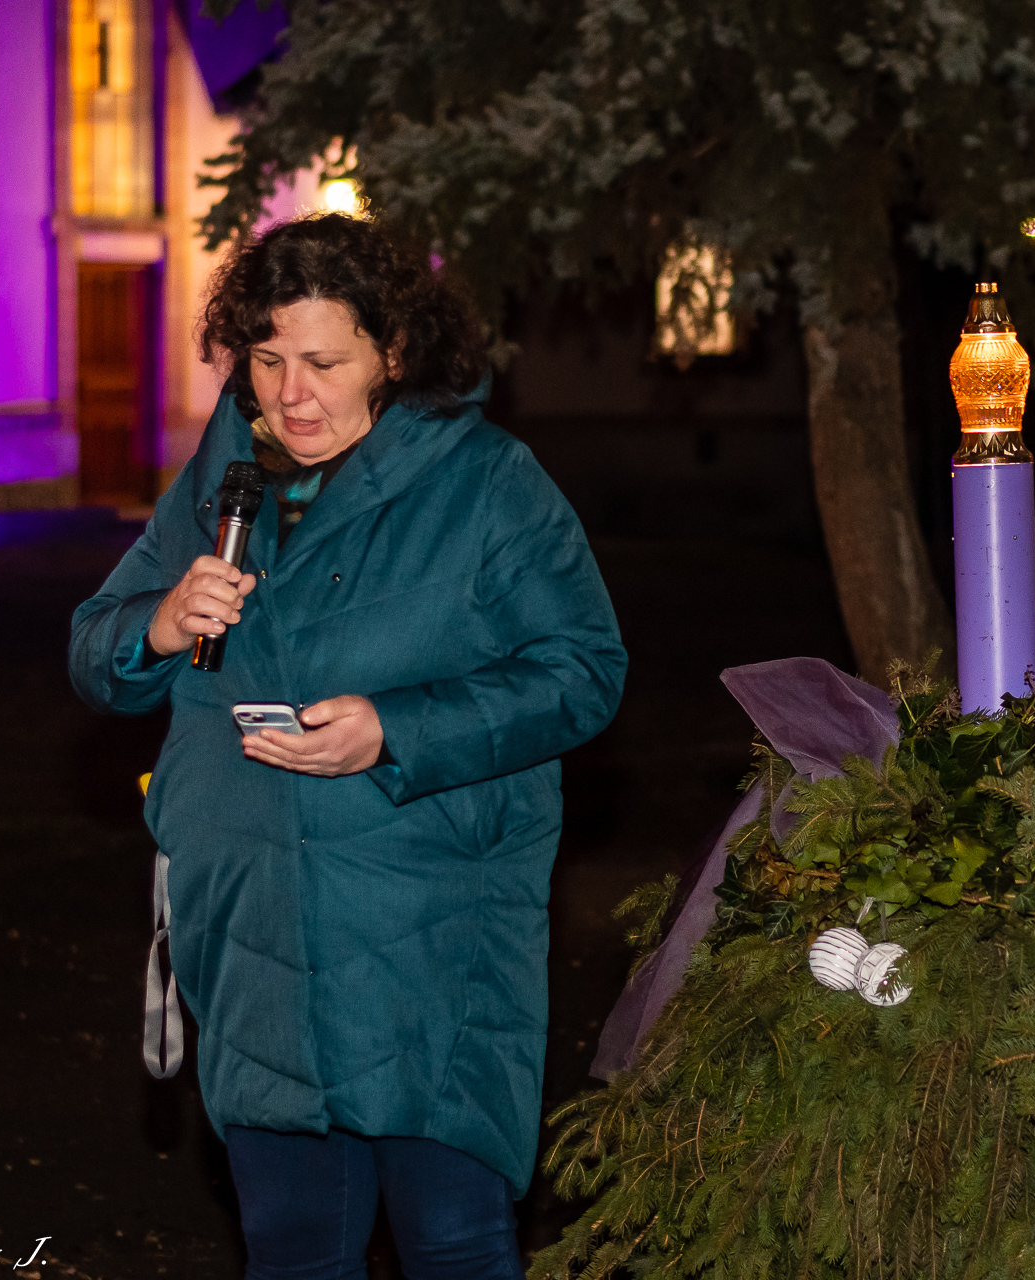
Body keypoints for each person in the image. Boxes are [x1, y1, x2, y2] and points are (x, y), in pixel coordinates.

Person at [69, 213, 626, 1280]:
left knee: (453, 1245)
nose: (291, 394)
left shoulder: (484, 483)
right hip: (257, 946)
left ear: (393, 353)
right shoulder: (221, 483)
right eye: (267, 359)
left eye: (323, 362)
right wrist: (159, 624)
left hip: (431, 951)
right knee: (292, 1252)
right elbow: (95, 652)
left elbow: (583, 670)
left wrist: (397, 729)